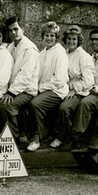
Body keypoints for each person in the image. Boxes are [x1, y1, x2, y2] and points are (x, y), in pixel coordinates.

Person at [49, 25, 94, 149]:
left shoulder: (84, 56)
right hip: (62, 89)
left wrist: (74, 90)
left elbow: (89, 81)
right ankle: (49, 133)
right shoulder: (63, 53)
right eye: (69, 39)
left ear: (79, 40)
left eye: (74, 39)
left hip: (79, 92)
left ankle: (65, 137)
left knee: (64, 108)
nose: (71, 41)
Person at [27, 21, 69, 151]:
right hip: (44, 88)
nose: (49, 38)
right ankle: (32, 133)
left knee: (35, 104)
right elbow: (37, 74)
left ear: (56, 37)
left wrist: (40, 88)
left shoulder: (60, 53)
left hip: (57, 91)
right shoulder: (42, 53)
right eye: (46, 35)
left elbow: (59, 80)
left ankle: (37, 137)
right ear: (42, 37)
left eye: (52, 36)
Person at [0, 16, 39, 142]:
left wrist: (11, 92)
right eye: (10, 30)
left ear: (23, 29)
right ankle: (17, 133)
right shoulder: (11, 47)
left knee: (6, 106)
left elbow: (25, 76)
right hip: (14, 88)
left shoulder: (29, 49)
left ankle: (12, 138)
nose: (13, 33)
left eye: (16, 29)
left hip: (27, 90)